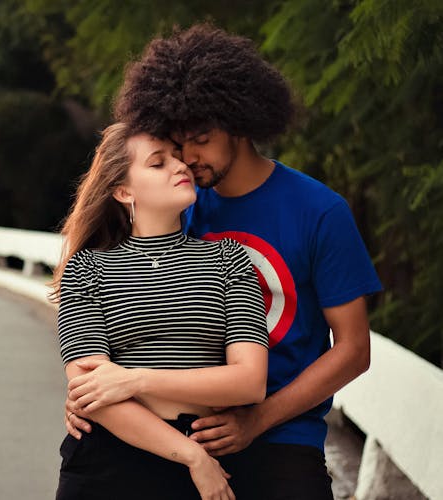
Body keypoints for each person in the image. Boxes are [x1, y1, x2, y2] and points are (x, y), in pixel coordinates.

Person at [65, 24, 383, 500]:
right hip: (181, 425)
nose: (187, 158)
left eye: (199, 138)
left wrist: (258, 419)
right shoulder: (181, 204)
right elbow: (129, 301)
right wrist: (94, 396)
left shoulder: (319, 211)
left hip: (282, 431)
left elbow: (354, 349)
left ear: (239, 121)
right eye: (174, 145)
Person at [52, 122, 269, 499]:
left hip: (207, 460)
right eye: (158, 163)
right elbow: (91, 394)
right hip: (111, 462)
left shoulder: (227, 260)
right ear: (123, 190)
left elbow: (250, 382)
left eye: (177, 157)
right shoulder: (88, 269)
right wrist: (191, 457)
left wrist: (136, 380)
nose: (180, 166)